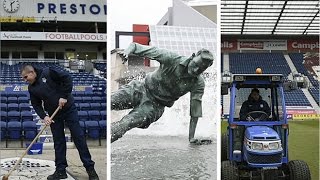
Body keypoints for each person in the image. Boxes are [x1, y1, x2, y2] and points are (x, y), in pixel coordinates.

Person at [111, 42, 214, 143]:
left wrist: (191, 138)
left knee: (126, 123)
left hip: (154, 106)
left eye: (201, 69)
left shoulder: (198, 84)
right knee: (110, 101)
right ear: (192, 57)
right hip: (139, 89)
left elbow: (195, 112)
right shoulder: (172, 58)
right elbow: (136, 46)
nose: (196, 70)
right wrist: (127, 52)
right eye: (195, 64)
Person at [20, 65, 99, 180]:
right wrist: (44, 116)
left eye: (25, 77)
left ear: (32, 72)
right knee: (58, 141)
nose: (25, 80)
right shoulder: (32, 88)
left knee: (78, 137)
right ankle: (60, 170)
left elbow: (67, 78)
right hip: (53, 114)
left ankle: (90, 168)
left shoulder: (49, 72)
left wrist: (64, 96)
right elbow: (36, 104)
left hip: (68, 108)